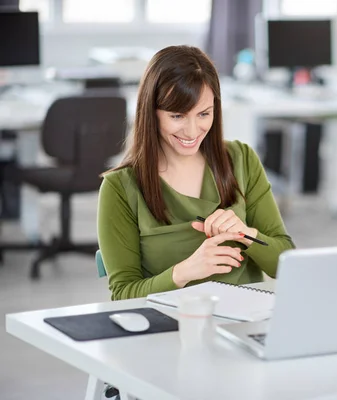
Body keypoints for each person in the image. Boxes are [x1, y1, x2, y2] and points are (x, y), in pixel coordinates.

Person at [97, 45, 295, 301]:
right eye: (177, 116)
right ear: (151, 113)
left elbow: (284, 264)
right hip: (170, 327)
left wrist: (247, 233)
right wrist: (184, 272)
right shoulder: (120, 187)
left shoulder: (241, 159)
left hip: (245, 319)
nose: (192, 131)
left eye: (204, 114)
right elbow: (124, 294)